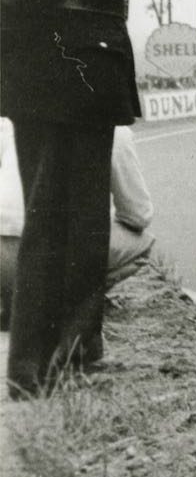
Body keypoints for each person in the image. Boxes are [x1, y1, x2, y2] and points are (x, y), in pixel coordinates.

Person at [0, 0, 141, 398]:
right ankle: (44, 365)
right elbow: (28, 2)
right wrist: (71, 75)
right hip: (63, 91)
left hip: (66, 88)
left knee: (75, 221)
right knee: (63, 222)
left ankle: (68, 354)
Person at [1, 121, 157, 333]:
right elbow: (138, 216)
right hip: (44, 260)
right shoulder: (114, 129)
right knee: (143, 243)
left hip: (3, 260)